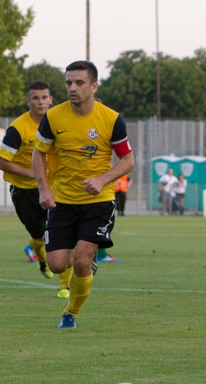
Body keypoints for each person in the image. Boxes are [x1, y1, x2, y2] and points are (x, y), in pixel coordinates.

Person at [32, 61, 134, 329]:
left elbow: (128, 160)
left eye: (79, 83)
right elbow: (38, 153)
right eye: (68, 83)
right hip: (63, 201)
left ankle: (70, 313)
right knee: (56, 265)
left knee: (81, 261)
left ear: (94, 86)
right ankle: (84, 267)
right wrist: (43, 188)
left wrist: (103, 179)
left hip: (98, 202)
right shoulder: (54, 117)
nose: (72, 88)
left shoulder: (111, 119)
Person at [0, 80, 75, 298]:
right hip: (25, 191)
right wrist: (34, 174)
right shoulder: (17, 129)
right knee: (39, 236)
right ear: (28, 101)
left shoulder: (59, 122)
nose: (41, 102)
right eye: (36, 98)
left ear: (51, 100)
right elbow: (2, 162)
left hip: (55, 188)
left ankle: (64, 286)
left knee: (64, 235)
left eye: (44, 98)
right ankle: (42, 259)